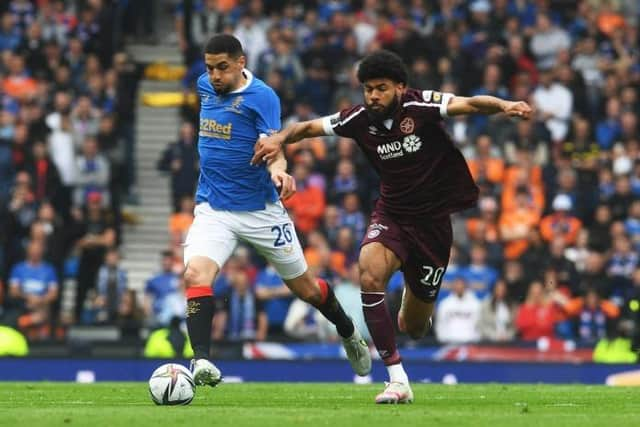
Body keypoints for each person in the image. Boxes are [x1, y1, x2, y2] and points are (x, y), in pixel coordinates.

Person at [252, 49, 532, 403]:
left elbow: (471, 104)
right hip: (392, 215)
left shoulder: (419, 106)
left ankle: (413, 311)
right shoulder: (356, 119)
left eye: (381, 88)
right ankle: (397, 379)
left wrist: (505, 105)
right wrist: (279, 139)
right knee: (369, 272)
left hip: (432, 225)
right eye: (368, 89)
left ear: (400, 87)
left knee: (413, 326)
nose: (373, 96)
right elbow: (308, 127)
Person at [183, 34, 370, 388]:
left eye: (222, 67)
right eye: (209, 68)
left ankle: (347, 331)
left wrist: (279, 171)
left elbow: (274, 145)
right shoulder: (204, 86)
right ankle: (202, 360)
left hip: (261, 211)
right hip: (213, 208)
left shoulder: (262, 97)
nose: (214, 76)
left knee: (308, 290)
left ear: (241, 63)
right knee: (196, 274)